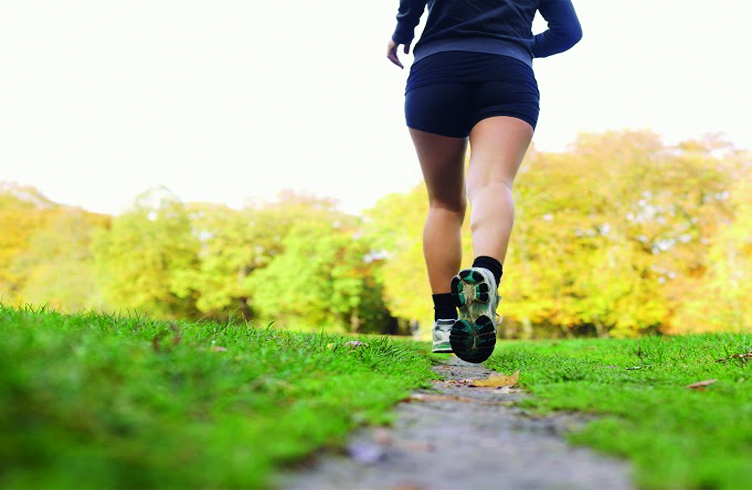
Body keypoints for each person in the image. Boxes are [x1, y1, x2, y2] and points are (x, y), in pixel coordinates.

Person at [387, 0, 582, 363]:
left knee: (443, 204)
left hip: (438, 69)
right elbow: (568, 33)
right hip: (507, 72)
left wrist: (401, 35)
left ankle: (445, 322)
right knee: (493, 183)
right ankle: (487, 274)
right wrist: (520, 46)